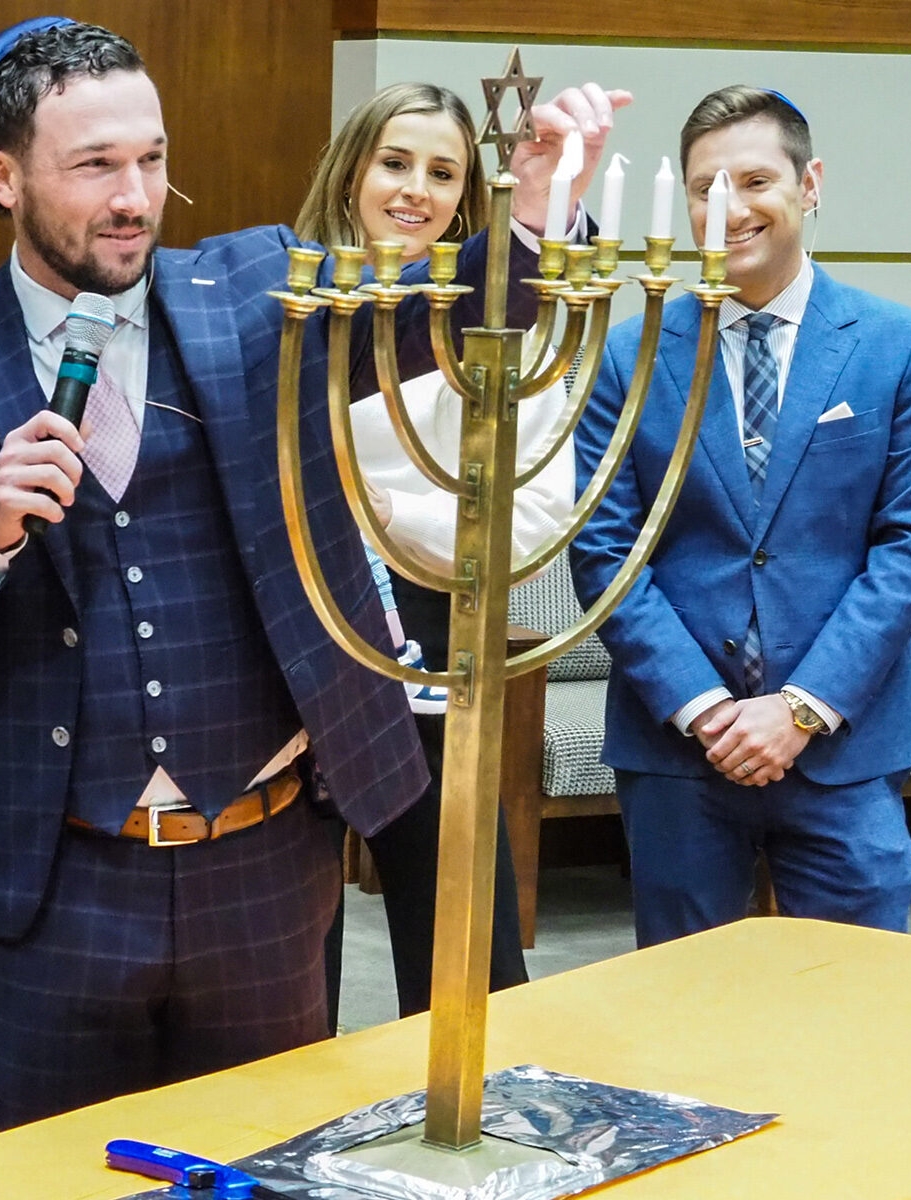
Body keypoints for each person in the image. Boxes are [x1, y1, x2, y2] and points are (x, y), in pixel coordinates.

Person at [0, 17, 585, 1135]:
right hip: (54, 881)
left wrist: (536, 214)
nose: (136, 196)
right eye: (94, 166)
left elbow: (452, 313)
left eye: (152, 159)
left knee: (265, 1158)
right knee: (54, 1173)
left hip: (264, 864)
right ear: (2, 174)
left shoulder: (258, 287)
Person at [569, 86, 911, 949]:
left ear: (809, 183)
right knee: (679, 1012)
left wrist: (801, 708)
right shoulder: (630, 352)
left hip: (843, 742)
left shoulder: (899, 344)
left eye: (754, 180)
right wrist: (706, 708)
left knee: (850, 1004)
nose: (728, 208)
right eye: (704, 187)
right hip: (679, 747)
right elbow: (603, 547)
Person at [292, 80, 626, 1018]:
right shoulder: (281, 302)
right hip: (289, 659)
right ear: (349, 169)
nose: (416, 189)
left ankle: (465, 1121)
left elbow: (525, 517)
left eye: (442, 172)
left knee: (465, 944)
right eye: (394, 162)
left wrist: (384, 518)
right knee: (282, 947)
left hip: (432, 644)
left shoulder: (479, 322)